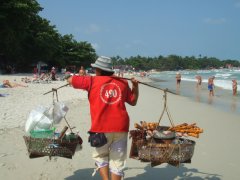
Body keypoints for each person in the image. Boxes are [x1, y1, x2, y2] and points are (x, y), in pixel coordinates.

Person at [67, 56, 139, 180]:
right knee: (118, 160)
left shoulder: (91, 81)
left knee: (101, 156)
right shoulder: (122, 82)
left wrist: (77, 76)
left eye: (95, 69)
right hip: (121, 127)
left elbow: (70, 80)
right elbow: (133, 101)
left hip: (100, 127)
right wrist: (135, 86)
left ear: (99, 70)